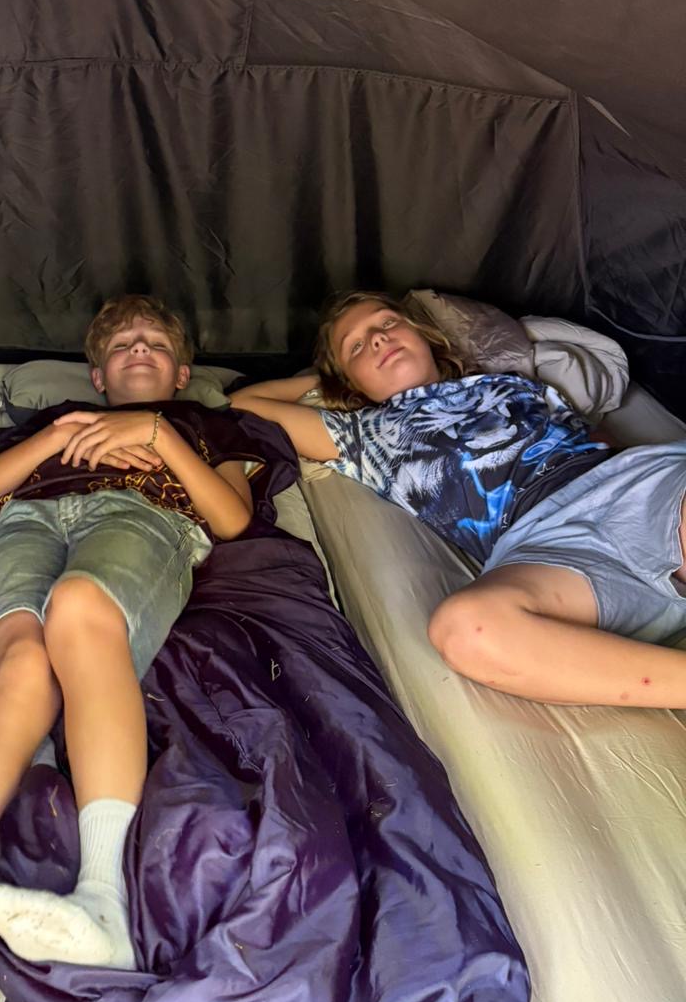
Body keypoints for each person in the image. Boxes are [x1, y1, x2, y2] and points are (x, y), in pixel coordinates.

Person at [0, 294, 270, 1002]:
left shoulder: (202, 424)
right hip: (28, 519)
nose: (139, 349)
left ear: (181, 373)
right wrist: (59, 437)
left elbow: (230, 518)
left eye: (155, 343)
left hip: (143, 516)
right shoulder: (56, 422)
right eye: (122, 345)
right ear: (97, 376)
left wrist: (156, 434)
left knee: (81, 606)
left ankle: (104, 903)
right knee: (19, 659)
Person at [231, 288, 686, 708]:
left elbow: (596, 439)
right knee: (465, 630)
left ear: (424, 336)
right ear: (350, 384)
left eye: (387, 323)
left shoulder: (507, 383)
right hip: (546, 547)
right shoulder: (363, 436)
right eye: (356, 346)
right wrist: (325, 384)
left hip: (622, 484)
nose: (377, 339)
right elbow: (244, 404)